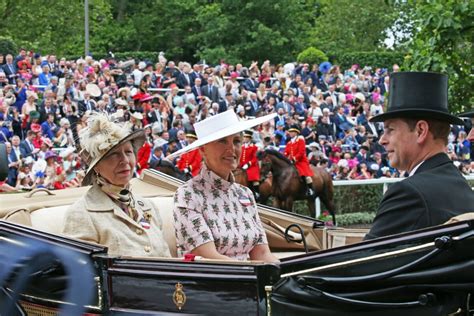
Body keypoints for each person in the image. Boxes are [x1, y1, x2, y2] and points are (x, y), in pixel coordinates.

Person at [364, 72, 474, 240]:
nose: (382, 140)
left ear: (421, 131)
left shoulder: (408, 194)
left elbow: (360, 262)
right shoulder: (461, 187)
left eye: (390, 130)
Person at [170, 110, 279, 262]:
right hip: (213, 281)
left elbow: (261, 254)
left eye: (236, 141)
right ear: (202, 149)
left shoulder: (245, 193)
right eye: (222, 141)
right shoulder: (188, 195)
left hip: (249, 278)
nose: (232, 149)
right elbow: (210, 257)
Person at [61, 113, 171, 257]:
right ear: (96, 167)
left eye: (128, 152)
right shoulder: (81, 214)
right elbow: (84, 274)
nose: (124, 160)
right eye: (114, 154)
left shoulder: (148, 206)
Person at [284, 125, 315, 196]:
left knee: (305, 175)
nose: (290, 133)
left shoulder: (300, 140)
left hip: (301, 161)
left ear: (296, 133)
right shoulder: (289, 143)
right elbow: (286, 153)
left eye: (292, 132)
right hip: (292, 162)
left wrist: (294, 158)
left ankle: (310, 189)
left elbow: (301, 152)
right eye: (290, 132)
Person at [239, 130, 261, 199]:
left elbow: (255, 158)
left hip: (251, 166)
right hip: (241, 165)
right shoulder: (241, 147)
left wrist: (248, 164)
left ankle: (256, 193)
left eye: (247, 137)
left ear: (250, 139)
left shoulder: (254, 147)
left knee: (252, 177)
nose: (245, 138)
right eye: (244, 137)